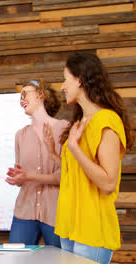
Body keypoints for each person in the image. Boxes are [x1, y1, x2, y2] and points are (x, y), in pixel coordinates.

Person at [55, 53, 133, 264]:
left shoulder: (106, 120)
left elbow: (108, 183)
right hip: (69, 227)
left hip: (92, 230)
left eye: (66, 79)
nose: (62, 86)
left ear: (80, 80)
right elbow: (76, 174)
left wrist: (74, 148)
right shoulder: (79, 123)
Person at [6, 79, 68, 248]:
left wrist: (28, 177)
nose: (21, 100)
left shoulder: (64, 129)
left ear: (41, 94)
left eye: (25, 94)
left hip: (56, 212)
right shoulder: (21, 135)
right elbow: (22, 177)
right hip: (24, 211)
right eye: (20, 96)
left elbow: (66, 176)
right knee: (16, 259)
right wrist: (18, 179)